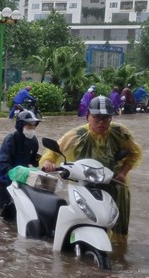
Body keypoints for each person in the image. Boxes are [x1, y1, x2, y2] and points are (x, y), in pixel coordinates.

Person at [40, 96, 142, 245]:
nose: (101, 122)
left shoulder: (121, 133)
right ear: (88, 116)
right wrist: (48, 162)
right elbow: (54, 151)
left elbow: (134, 153)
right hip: (85, 184)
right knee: (83, 216)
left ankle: (119, 253)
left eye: (106, 118)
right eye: (97, 117)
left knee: (119, 225)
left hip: (115, 183)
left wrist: (122, 173)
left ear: (111, 118)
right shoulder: (76, 135)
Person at [0, 110, 42, 210]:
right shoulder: (10, 140)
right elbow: (3, 162)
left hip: (22, 180)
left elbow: (32, 159)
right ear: (20, 126)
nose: (32, 129)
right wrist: (13, 173)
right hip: (4, 181)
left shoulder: (33, 141)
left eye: (34, 126)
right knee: (4, 211)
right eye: (29, 126)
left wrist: (42, 161)